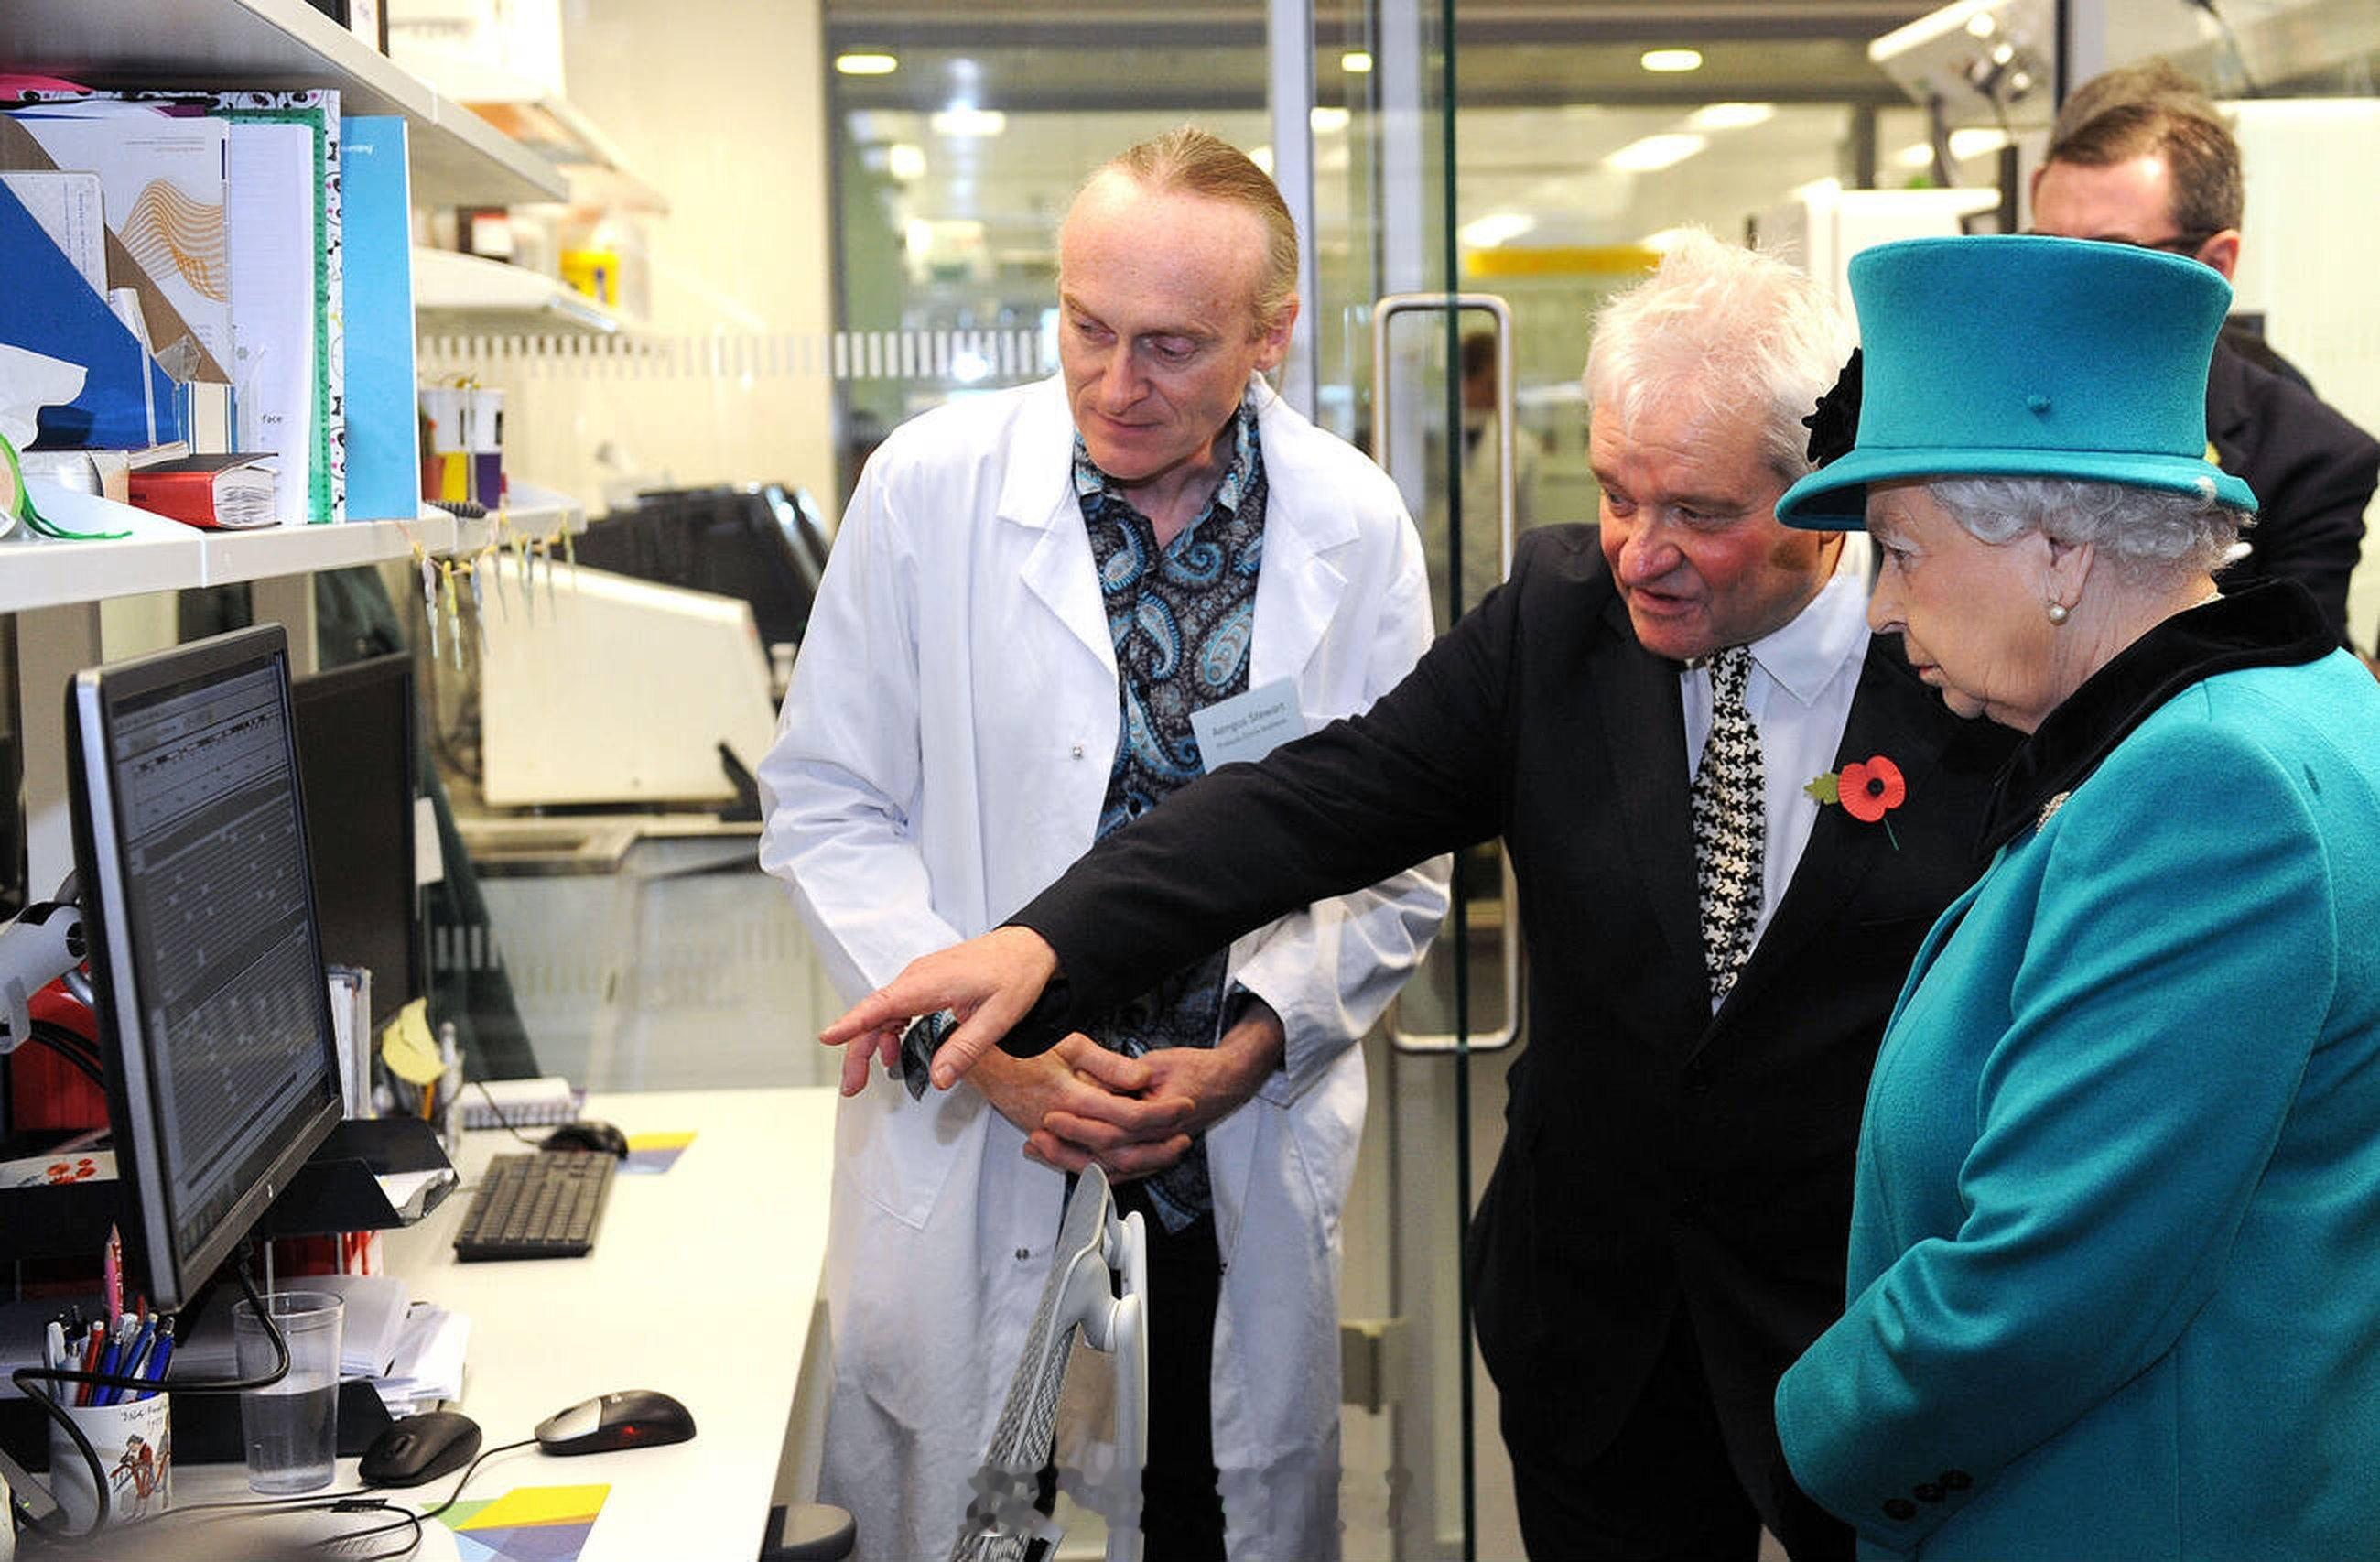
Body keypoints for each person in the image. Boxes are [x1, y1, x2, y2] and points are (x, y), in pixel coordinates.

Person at [820, 230, 2020, 1562]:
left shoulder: (1963, 668)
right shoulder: (1558, 617)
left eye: (1697, 513)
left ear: (1822, 499)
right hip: (1598, 1338)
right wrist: (1042, 944)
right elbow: (1307, 805)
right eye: (1618, 495)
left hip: (1863, 1326)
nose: (1641, 552)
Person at [755, 127, 1447, 1561]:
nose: (1115, 382)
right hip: (982, 1120)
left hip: (1218, 1141)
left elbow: (1399, 855)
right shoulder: (931, 487)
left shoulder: (1352, 524)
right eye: (1086, 326)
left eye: (1171, 347)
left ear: (1270, 335)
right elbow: (827, 800)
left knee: (1206, 1506)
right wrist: (984, 1053)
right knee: (970, 1517)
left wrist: (1246, 1052)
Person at [1765, 233, 2380, 1557]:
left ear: (2053, 548)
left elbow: (2040, 1288)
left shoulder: (2206, 789)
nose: (1879, 610)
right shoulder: (2307, 701)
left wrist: (1808, 1440)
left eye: (1900, 552)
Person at [2028, 57, 2380, 647]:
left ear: (2214, 264)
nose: (2066, 288)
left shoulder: (2306, 457)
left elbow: (2291, 671)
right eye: (2044, 248)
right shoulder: (1964, 404)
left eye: (2114, 256)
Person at [1420, 330, 1543, 630]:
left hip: (1495, 585)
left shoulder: (1521, 447)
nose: (1495, 394)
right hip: (1436, 587)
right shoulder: (1429, 441)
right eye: (1488, 384)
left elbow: (1529, 524)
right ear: (1463, 381)